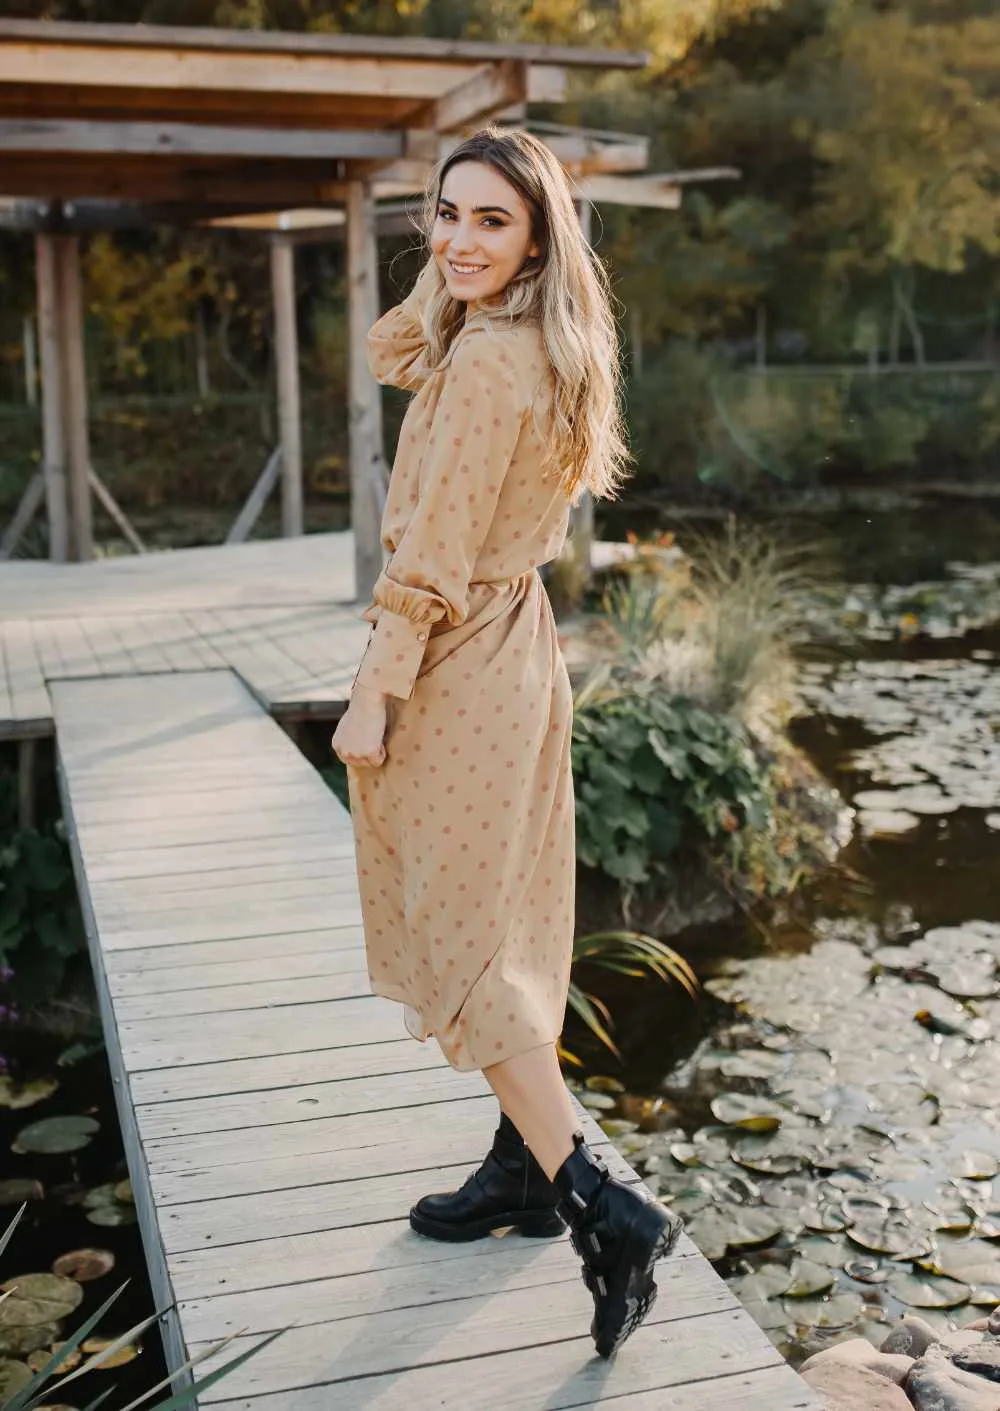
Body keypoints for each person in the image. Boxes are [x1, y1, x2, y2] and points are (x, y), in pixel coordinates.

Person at [332, 125, 681, 1358]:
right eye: (445, 215)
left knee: (471, 938)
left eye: (491, 221)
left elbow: (427, 553)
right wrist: (460, 272)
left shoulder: (487, 367)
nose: (458, 239)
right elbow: (391, 345)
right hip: (516, 647)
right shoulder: (533, 339)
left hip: (458, 662)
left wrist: (375, 689)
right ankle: (523, 1171)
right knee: (509, 919)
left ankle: (601, 1201)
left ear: (539, 234)